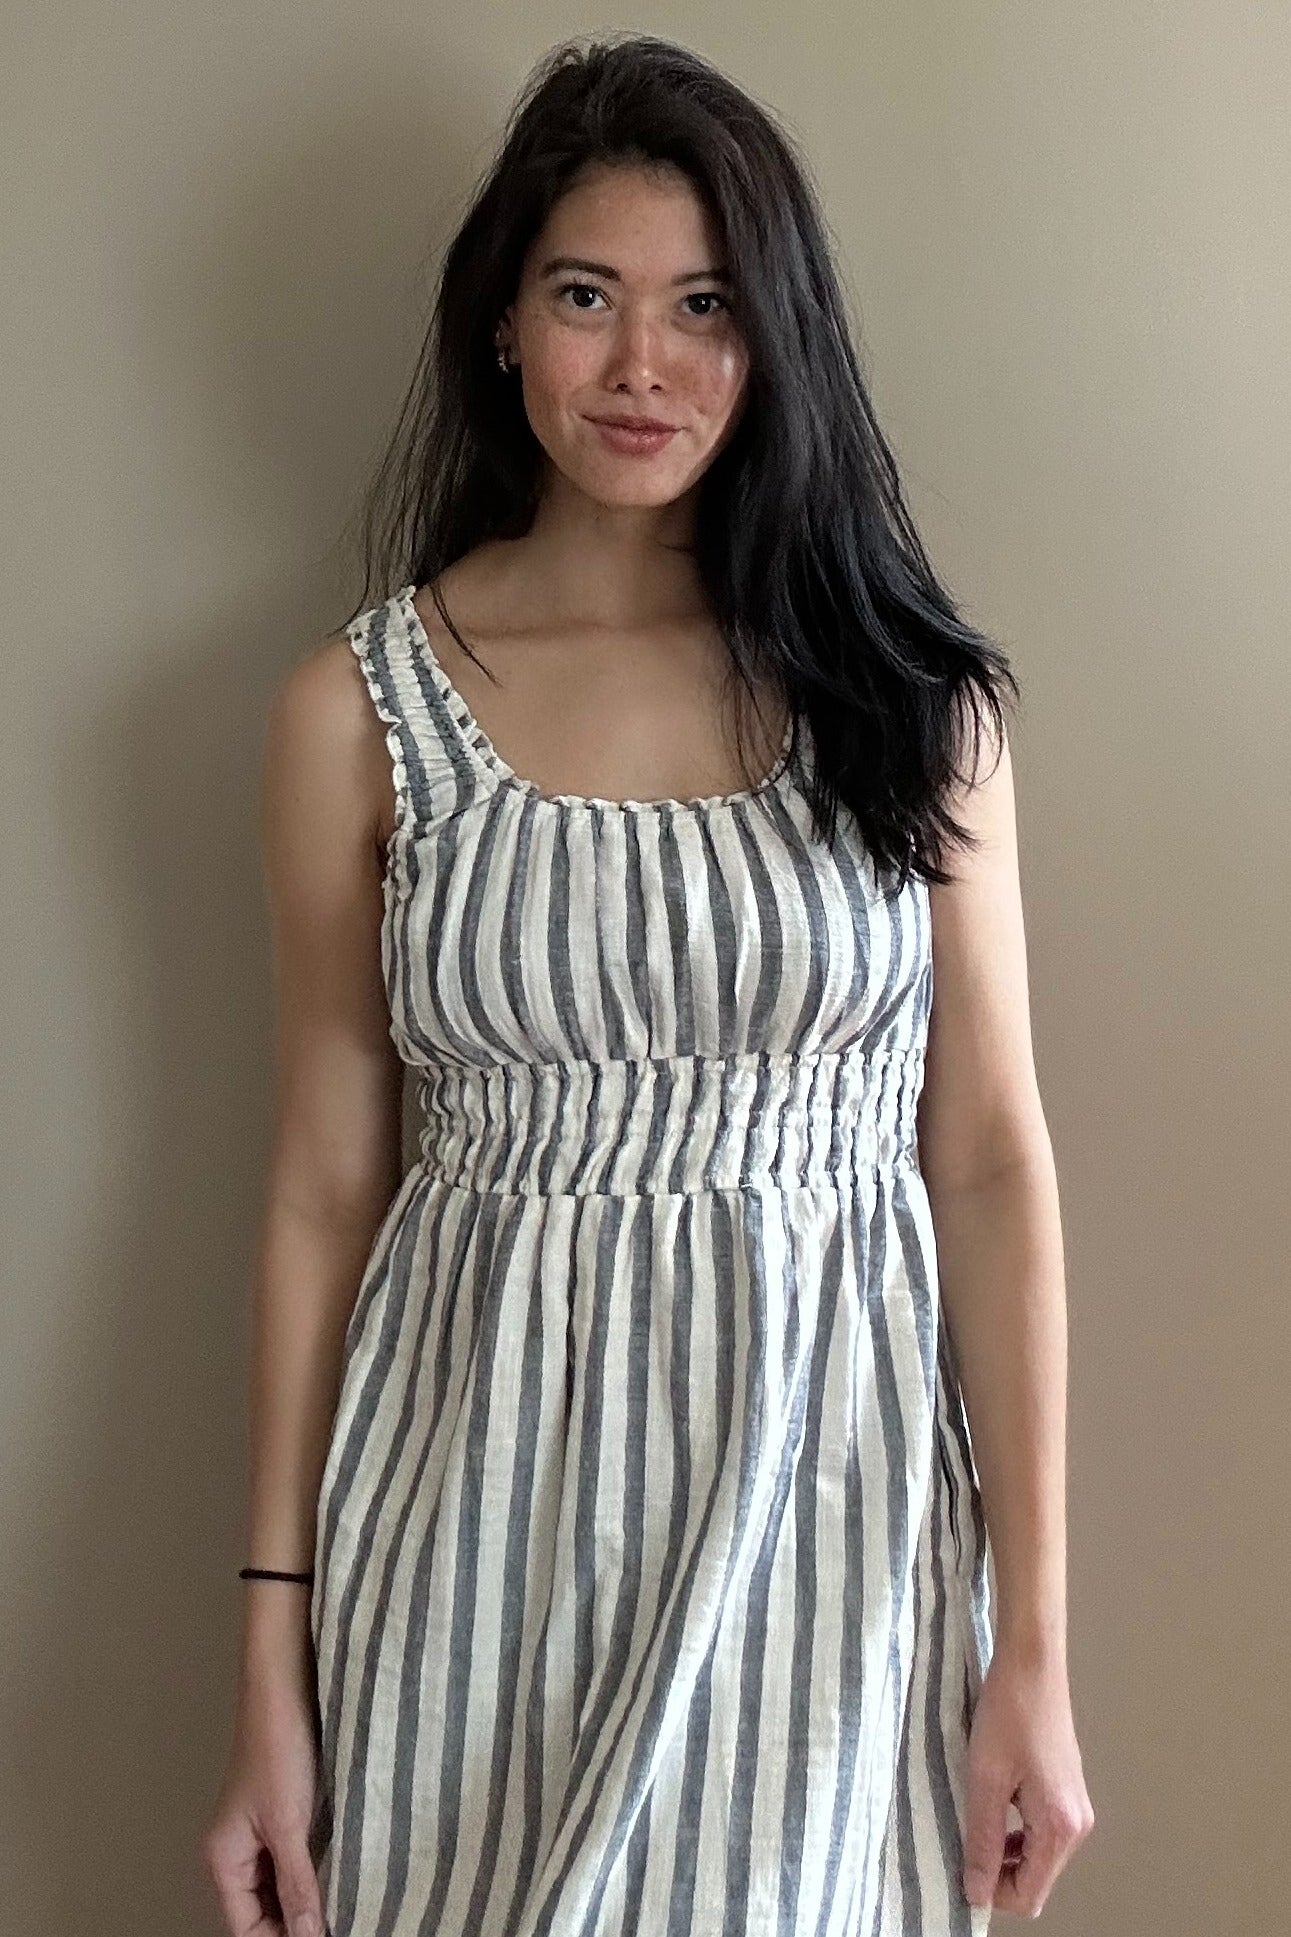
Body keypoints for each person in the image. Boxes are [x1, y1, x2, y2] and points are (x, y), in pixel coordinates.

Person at [202, 31, 1093, 1937]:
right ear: (503, 323)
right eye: (586, 295)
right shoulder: (356, 715)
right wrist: (270, 1658)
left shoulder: (916, 707)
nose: (642, 367)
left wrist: (1034, 1642)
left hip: (830, 1529)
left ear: (776, 340)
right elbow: (322, 1187)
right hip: (472, 1539)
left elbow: (991, 1159)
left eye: (706, 306)